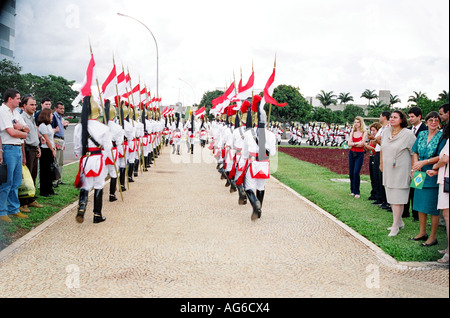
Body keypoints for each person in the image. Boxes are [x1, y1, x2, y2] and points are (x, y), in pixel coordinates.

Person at [410, 111, 446, 246]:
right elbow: (415, 151)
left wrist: (424, 163)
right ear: (426, 122)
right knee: (419, 204)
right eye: (431, 120)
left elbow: (441, 156)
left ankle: (433, 236)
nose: (433, 123)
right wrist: (415, 166)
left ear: (439, 123)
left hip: (432, 171)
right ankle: (422, 232)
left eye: (436, 120)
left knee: (432, 206)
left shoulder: (442, 136)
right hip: (419, 172)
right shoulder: (422, 134)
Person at [74, 96, 112, 224]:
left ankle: (82, 207)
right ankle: (97, 214)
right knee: (98, 185)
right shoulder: (103, 127)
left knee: (86, 185)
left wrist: (81, 156)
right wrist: (106, 159)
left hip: (86, 159)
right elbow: (108, 147)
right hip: (98, 159)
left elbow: (78, 147)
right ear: (97, 112)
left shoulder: (79, 127)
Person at [380, 110, 416, 237]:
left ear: (402, 119)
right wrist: (381, 163)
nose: (392, 119)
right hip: (388, 170)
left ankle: (395, 226)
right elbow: (382, 149)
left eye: (395, 117)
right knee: (390, 196)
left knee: (397, 199)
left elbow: (414, 152)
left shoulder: (408, 134)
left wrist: (413, 169)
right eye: (391, 117)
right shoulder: (386, 132)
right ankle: (399, 221)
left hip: (401, 170)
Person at [0, 88, 30, 222]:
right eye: (18, 98)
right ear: (10, 99)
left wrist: (20, 129)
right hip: (8, 148)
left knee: (16, 181)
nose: (20, 100)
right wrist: (22, 132)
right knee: (6, 182)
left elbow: (27, 127)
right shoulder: (3, 111)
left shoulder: (16, 112)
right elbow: (11, 132)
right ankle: (2, 211)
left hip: (18, 148)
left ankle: (14, 209)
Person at [426, 123, 449, 263]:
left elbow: (445, 159)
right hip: (444, 177)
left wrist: (435, 166)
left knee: (447, 216)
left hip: (447, 182)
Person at [19, 95, 44, 212]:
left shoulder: (32, 117)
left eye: (35, 104)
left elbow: (34, 134)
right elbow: (22, 139)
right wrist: (24, 155)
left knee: (33, 175)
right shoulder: (21, 119)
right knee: (25, 178)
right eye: (31, 104)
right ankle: (23, 203)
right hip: (27, 150)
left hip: (34, 148)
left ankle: (31, 199)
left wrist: (38, 147)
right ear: (24, 106)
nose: (34, 107)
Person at [403, 107, 428, 220]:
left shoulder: (425, 130)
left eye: (413, 116)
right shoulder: (408, 130)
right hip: (406, 163)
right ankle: (405, 211)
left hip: (419, 164)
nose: (410, 119)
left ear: (419, 117)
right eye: (409, 116)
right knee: (406, 187)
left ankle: (416, 214)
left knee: (417, 188)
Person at [37, 108, 57, 197]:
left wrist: (54, 149)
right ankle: (44, 191)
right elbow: (47, 139)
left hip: (51, 149)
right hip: (45, 150)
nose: (52, 115)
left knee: (50, 170)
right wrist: (52, 150)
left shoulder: (49, 125)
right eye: (51, 114)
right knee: (44, 171)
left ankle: (50, 189)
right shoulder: (42, 126)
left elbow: (52, 138)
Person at [373, 111, 391, 211]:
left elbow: (383, 143)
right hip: (378, 152)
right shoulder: (381, 129)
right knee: (377, 177)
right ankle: (380, 198)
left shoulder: (388, 128)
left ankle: (386, 200)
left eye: (380, 116)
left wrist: (377, 140)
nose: (379, 118)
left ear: (384, 117)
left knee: (383, 178)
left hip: (383, 153)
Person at [347, 116, 368, 199]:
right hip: (352, 153)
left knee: (356, 172)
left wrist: (354, 143)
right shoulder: (352, 131)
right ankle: (352, 190)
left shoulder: (364, 132)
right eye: (355, 122)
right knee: (351, 172)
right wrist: (356, 143)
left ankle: (357, 191)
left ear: (361, 123)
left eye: (358, 122)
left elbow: (362, 143)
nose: (356, 124)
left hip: (359, 154)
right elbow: (349, 143)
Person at [51, 102, 69, 186]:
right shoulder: (53, 117)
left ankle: (59, 179)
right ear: (55, 108)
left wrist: (64, 125)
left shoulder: (60, 117)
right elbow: (52, 129)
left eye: (63, 108)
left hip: (61, 140)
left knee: (61, 161)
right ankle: (54, 180)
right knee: (56, 161)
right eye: (60, 108)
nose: (62, 110)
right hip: (56, 139)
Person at [365, 122, 382, 201]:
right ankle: (374, 193)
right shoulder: (372, 139)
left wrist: (369, 146)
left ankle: (378, 194)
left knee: (376, 177)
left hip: (376, 157)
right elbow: (369, 149)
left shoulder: (377, 139)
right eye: (371, 130)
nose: (372, 132)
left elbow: (375, 148)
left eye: (374, 130)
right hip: (372, 157)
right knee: (372, 176)